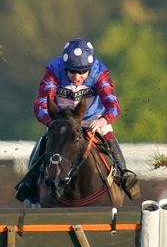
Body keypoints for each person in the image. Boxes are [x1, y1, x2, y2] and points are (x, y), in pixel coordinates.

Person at [14, 38, 141, 203]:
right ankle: (30, 180)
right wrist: (50, 121)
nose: (77, 77)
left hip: (93, 120)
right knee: (46, 139)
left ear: (90, 69)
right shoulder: (54, 71)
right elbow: (41, 104)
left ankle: (124, 176)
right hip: (63, 122)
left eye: (82, 72)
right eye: (72, 71)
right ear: (65, 67)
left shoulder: (100, 74)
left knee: (109, 135)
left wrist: (104, 120)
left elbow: (114, 106)